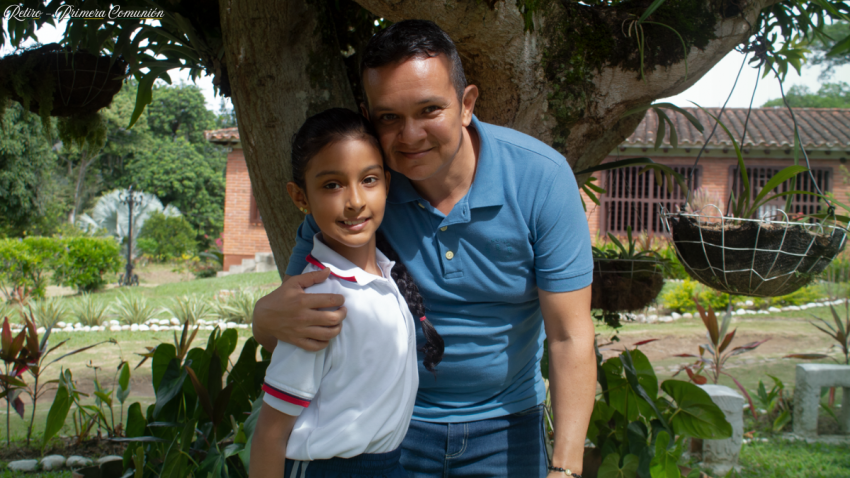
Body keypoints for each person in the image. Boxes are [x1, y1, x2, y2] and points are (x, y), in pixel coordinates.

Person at [253, 20, 596, 478]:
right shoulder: (362, 195)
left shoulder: (541, 179)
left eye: (429, 110)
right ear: (369, 116)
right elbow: (299, 316)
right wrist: (263, 318)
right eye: (389, 118)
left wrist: (565, 468)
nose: (411, 135)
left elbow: (570, 336)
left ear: (466, 105)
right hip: (390, 430)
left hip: (507, 426)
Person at [249, 107, 444, 478]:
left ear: (387, 183)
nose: (355, 200)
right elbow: (270, 434)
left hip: (388, 465)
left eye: (368, 180)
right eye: (332, 185)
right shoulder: (317, 303)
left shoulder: (387, 278)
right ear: (300, 196)